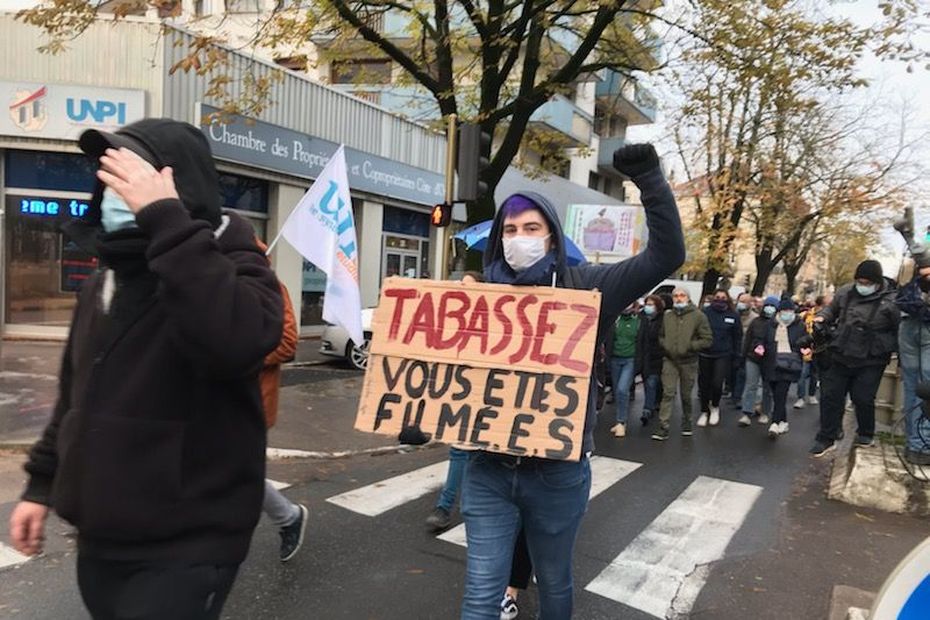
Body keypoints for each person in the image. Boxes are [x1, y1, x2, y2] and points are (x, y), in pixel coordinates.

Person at [8, 120, 284, 619]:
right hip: (102, 538)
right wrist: (40, 486)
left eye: (133, 176)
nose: (116, 190)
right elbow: (74, 397)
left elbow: (235, 342)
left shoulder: (234, 263)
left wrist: (166, 220)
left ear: (178, 187)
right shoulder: (104, 280)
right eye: (109, 177)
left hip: (189, 545)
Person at [461, 143, 685, 619]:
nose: (519, 238)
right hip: (487, 470)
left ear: (551, 235)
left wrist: (650, 181)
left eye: (531, 228)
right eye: (510, 230)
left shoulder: (588, 287)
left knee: (555, 583)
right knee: (481, 595)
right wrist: (422, 418)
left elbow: (667, 255)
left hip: (556, 474)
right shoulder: (480, 298)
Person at [810, 260, 901, 457]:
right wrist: (822, 318)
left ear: (876, 282)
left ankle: (866, 433)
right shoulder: (845, 292)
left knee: (863, 397)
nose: (862, 285)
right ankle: (827, 437)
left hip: (871, 358)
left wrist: (898, 353)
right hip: (841, 351)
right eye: (859, 281)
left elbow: (899, 330)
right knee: (830, 396)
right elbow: (831, 309)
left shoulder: (891, 301)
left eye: (867, 282)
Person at [255, 239, 308, 563]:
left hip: (253, 401)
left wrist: (239, 352)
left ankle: (289, 517)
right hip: (214, 400)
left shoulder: (273, 288)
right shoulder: (217, 286)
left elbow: (288, 343)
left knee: (239, 471)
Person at [426, 271, 485, 532]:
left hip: (486, 396)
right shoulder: (451, 319)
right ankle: (445, 506)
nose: (462, 288)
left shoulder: (489, 321)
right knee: (459, 450)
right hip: (459, 394)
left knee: (481, 455)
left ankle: (478, 505)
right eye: (460, 284)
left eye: (468, 285)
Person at [652, 288, 713, 441]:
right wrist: (665, 345)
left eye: (682, 295)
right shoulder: (668, 316)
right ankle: (663, 426)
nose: (678, 298)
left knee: (686, 395)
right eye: (676, 296)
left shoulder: (698, 316)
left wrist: (690, 346)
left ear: (688, 297)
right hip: (670, 360)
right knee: (668, 393)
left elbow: (707, 339)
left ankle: (687, 422)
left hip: (689, 361)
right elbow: (661, 335)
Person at [757, 300, 810, 439]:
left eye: (790, 311)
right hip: (772, 362)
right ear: (779, 312)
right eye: (784, 311)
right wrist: (760, 347)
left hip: (789, 364)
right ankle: (784, 421)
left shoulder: (799, 325)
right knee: (776, 393)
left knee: (781, 393)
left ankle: (774, 423)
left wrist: (803, 347)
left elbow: (806, 339)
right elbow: (762, 338)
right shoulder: (771, 324)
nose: (788, 314)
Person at [894, 263, 930, 465]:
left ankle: (913, 443)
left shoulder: (916, 259)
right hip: (924, 327)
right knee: (926, 388)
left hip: (908, 322)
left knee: (912, 388)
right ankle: (922, 445)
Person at [697, 289, 742, 427]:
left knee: (717, 383)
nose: (720, 299)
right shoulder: (705, 313)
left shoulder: (733, 315)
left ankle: (715, 406)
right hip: (705, 353)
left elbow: (737, 337)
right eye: (717, 297)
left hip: (723, 354)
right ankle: (704, 410)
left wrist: (736, 356)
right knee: (704, 384)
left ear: (727, 299)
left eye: (723, 297)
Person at [738, 296, 778, 427]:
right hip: (753, 357)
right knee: (751, 385)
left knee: (767, 388)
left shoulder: (778, 324)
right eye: (768, 305)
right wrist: (743, 356)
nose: (769, 308)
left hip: (770, 360)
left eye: (772, 306)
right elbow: (747, 340)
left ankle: (765, 412)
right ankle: (747, 412)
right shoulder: (756, 322)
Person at [608, 302, 641, 438]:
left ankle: (621, 422)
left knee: (622, 389)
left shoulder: (638, 321)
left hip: (630, 360)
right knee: (617, 392)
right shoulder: (615, 320)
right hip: (615, 359)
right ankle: (619, 421)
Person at [635, 294, 665, 426]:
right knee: (649, 382)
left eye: (651, 304)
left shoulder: (663, 319)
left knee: (653, 382)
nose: (648, 307)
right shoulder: (641, 318)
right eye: (647, 304)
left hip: (658, 356)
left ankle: (650, 407)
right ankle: (650, 406)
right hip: (644, 356)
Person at [731, 292, 757, 405]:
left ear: (750, 303)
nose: (741, 304)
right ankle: (734, 394)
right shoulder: (733, 314)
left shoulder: (754, 318)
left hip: (747, 350)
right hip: (733, 349)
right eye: (740, 301)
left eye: (744, 302)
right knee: (732, 374)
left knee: (743, 374)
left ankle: (739, 398)